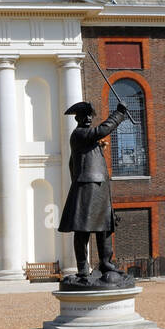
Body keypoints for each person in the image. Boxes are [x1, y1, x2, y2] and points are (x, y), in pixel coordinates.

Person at [58, 100, 128, 284]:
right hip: (87, 186)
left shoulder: (88, 140)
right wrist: (118, 114)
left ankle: (105, 262)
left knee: (105, 227)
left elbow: (72, 164)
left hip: (100, 186)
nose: (89, 118)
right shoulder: (80, 134)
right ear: (77, 118)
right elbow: (101, 131)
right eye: (85, 115)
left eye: (90, 115)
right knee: (83, 229)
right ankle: (82, 268)